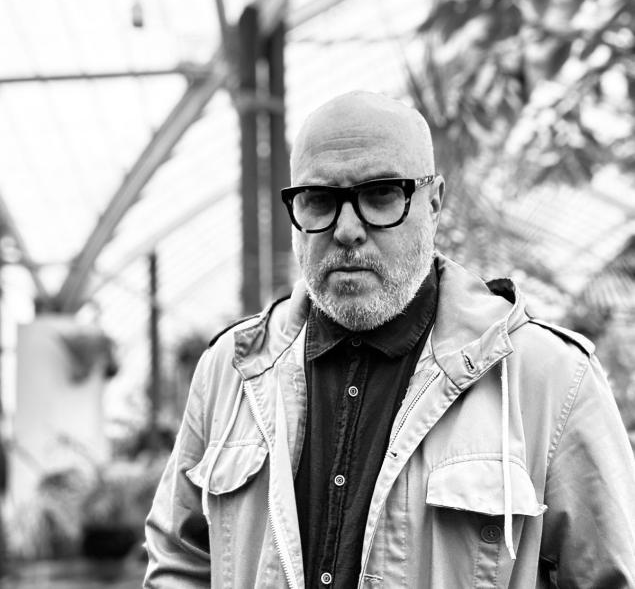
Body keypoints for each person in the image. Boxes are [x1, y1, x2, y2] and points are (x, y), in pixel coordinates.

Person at [144, 91, 635, 588]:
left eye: (381, 194)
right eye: (319, 200)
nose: (347, 230)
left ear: (434, 203)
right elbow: (179, 561)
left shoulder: (548, 378)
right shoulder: (231, 371)